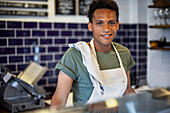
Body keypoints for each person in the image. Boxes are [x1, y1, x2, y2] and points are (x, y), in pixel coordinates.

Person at [50, 0, 135, 108]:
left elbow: (127, 90)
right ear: (90, 26)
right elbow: (59, 100)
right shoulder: (75, 55)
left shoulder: (124, 53)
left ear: (117, 25)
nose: (106, 29)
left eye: (111, 23)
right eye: (99, 23)